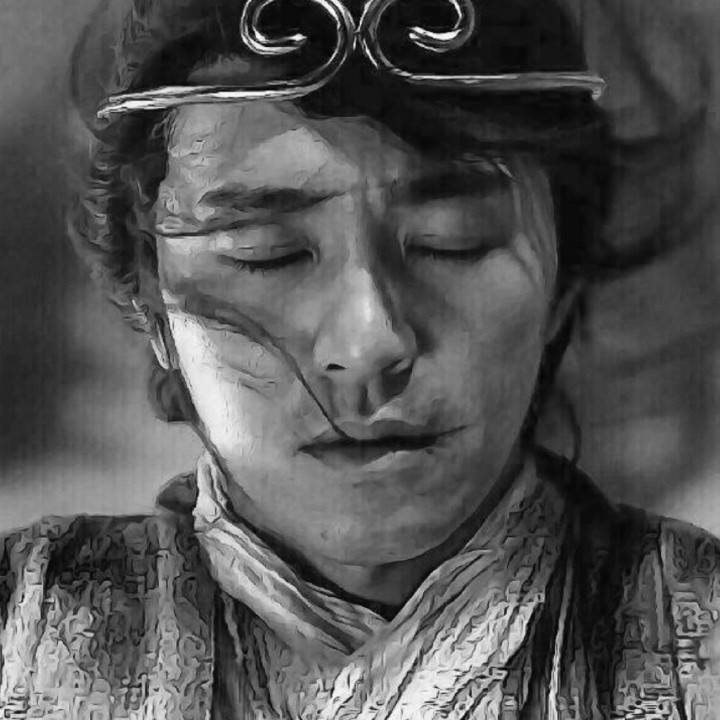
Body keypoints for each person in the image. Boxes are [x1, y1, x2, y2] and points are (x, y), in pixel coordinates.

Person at [1, 0, 719, 717]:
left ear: (563, 282)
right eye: (267, 254)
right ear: (153, 304)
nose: (369, 342)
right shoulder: (26, 627)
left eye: (452, 240)